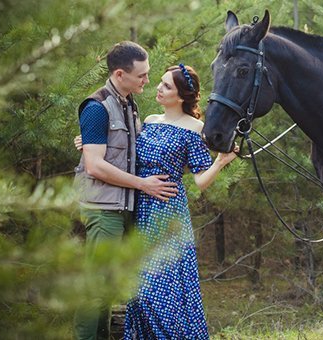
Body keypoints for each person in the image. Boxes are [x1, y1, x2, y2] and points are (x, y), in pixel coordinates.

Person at [122, 64, 238, 339]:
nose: (158, 89)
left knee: (159, 289)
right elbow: (126, 153)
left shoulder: (196, 129)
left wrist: (220, 162)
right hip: (140, 209)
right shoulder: (149, 121)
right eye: (160, 83)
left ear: (183, 96)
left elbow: (200, 181)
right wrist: (89, 142)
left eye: (166, 86)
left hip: (168, 214)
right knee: (138, 290)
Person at [73, 41, 178, 340]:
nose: (147, 80)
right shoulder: (97, 107)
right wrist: (143, 184)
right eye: (142, 75)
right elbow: (95, 166)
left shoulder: (129, 104)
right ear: (120, 74)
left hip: (124, 208)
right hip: (104, 210)